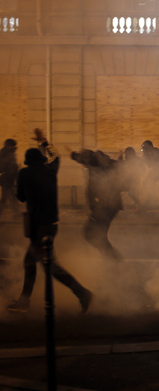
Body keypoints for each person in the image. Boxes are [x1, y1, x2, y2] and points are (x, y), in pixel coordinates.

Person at [7, 128, 92, 314]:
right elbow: (56, 155)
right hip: (51, 224)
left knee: (49, 267)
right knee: (31, 262)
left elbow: (21, 197)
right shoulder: (51, 170)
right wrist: (44, 141)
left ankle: (82, 293)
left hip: (38, 226)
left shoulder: (25, 174)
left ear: (28, 162)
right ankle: (24, 301)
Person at [71, 148, 124, 260]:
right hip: (113, 205)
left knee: (89, 233)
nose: (84, 166)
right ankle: (112, 259)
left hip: (105, 206)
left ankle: (113, 258)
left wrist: (92, 211)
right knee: (100, 235)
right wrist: (73, 155)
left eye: (84, 163)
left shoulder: (95, 169)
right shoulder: (103, 161)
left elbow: (91, 192)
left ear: (87, 161)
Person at [0, 138, 20, 217]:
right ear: (9, 146)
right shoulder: (5, 154)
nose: (15, 148)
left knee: (14, 198)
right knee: (5, 200)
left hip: (10, 179)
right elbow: (6, 167)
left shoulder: (8, 153)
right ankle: (16, 214)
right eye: (14, 146)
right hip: (7, 180)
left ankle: (16, 214)